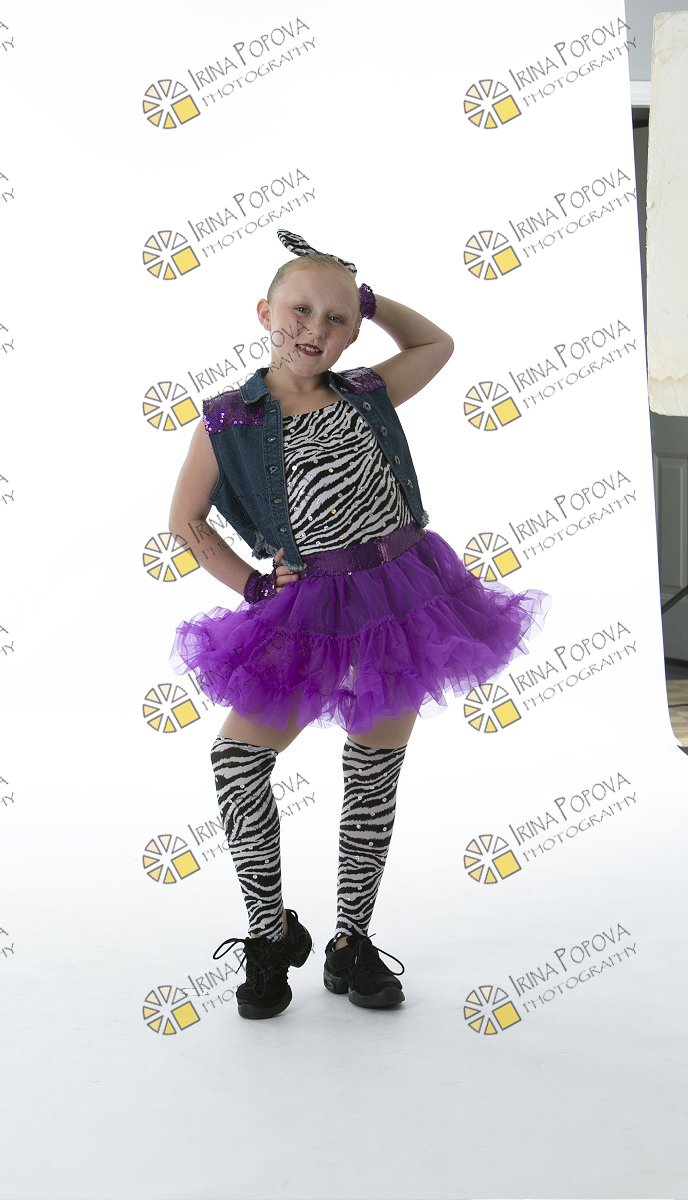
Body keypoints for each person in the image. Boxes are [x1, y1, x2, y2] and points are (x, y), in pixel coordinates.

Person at [168, 229, 551, 1020]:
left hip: (402, 599)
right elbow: (186, 521)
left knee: (372, 773)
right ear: (264, 313)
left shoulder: (367, 392)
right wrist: (251, 583)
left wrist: (371, 302)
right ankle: (270, 935)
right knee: (238, 761)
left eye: (338, 318)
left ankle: (351, 940)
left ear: (353, 331)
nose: (316, 329)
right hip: (307, 609)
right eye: (300, 311)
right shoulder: (228, 423)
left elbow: (436, 344)